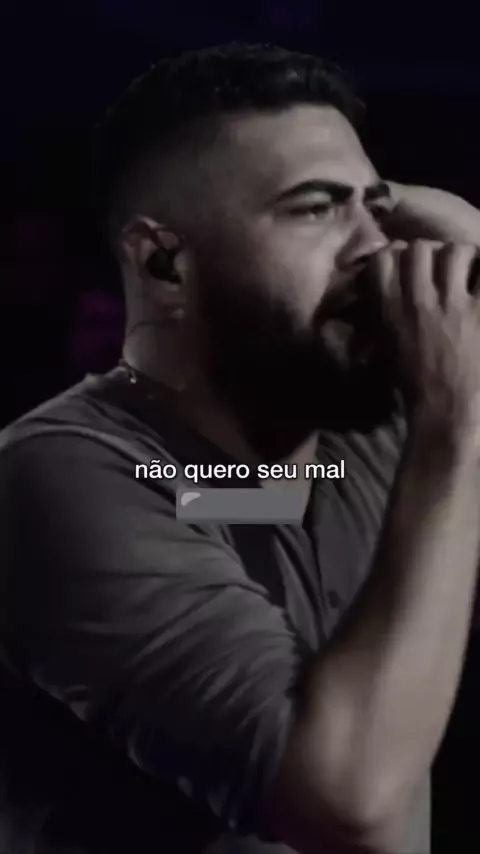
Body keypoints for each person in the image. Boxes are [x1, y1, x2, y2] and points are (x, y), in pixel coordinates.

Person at [1, 43, 480, 854]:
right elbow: (347, 806)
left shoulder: (326, 456)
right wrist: (451, 422)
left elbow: (232, 495)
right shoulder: (50, 476)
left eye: (378, 209)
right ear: (164, 263)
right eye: (316, 209)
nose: (380, 247)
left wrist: (451, 227)